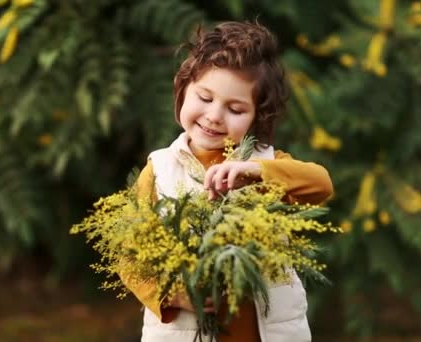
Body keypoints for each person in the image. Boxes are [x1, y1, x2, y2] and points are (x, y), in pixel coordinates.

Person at [125, 21, 333, 342]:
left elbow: (321, 184)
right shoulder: (160, 169)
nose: (214, 116)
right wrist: (174, 294)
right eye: (204, 98)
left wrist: (257, 172)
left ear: (256, 118)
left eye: (235, 109)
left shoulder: (264, 165)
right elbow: (130, 255)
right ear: (183, 90)